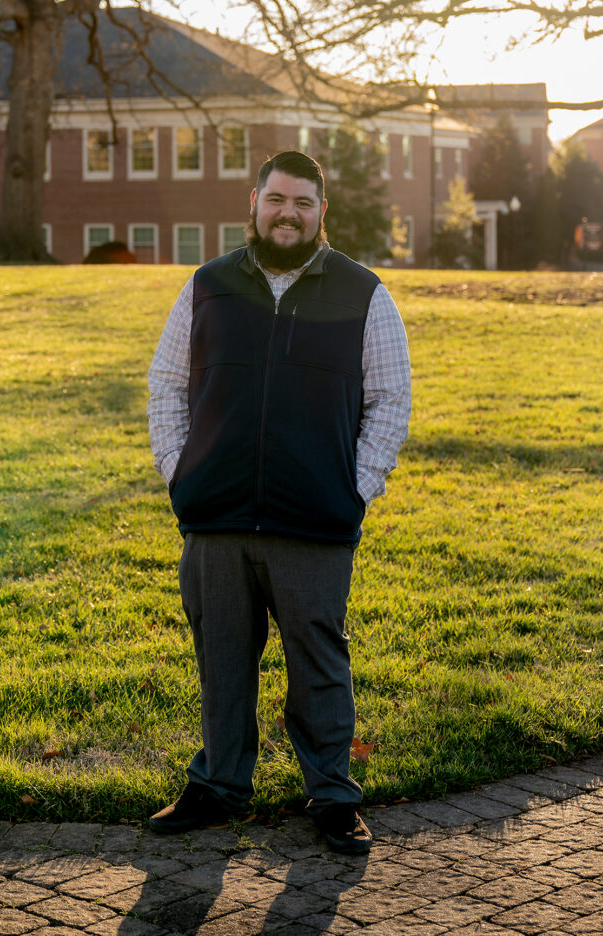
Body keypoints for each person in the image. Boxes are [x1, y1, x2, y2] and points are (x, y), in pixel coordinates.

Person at [147, 149, 411, 855]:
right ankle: (219, 786)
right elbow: (166, 386)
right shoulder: (207, 287)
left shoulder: (362, 293)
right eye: (276, 200)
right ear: (254, 204)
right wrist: (181, 473)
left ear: (322, 212)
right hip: (217, 519)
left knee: (318, 663)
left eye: (302, 202)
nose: (287, 213)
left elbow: (389, 401)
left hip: (314, 521)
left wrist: (356, 487)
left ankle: (331, 795)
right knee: (222, 660)